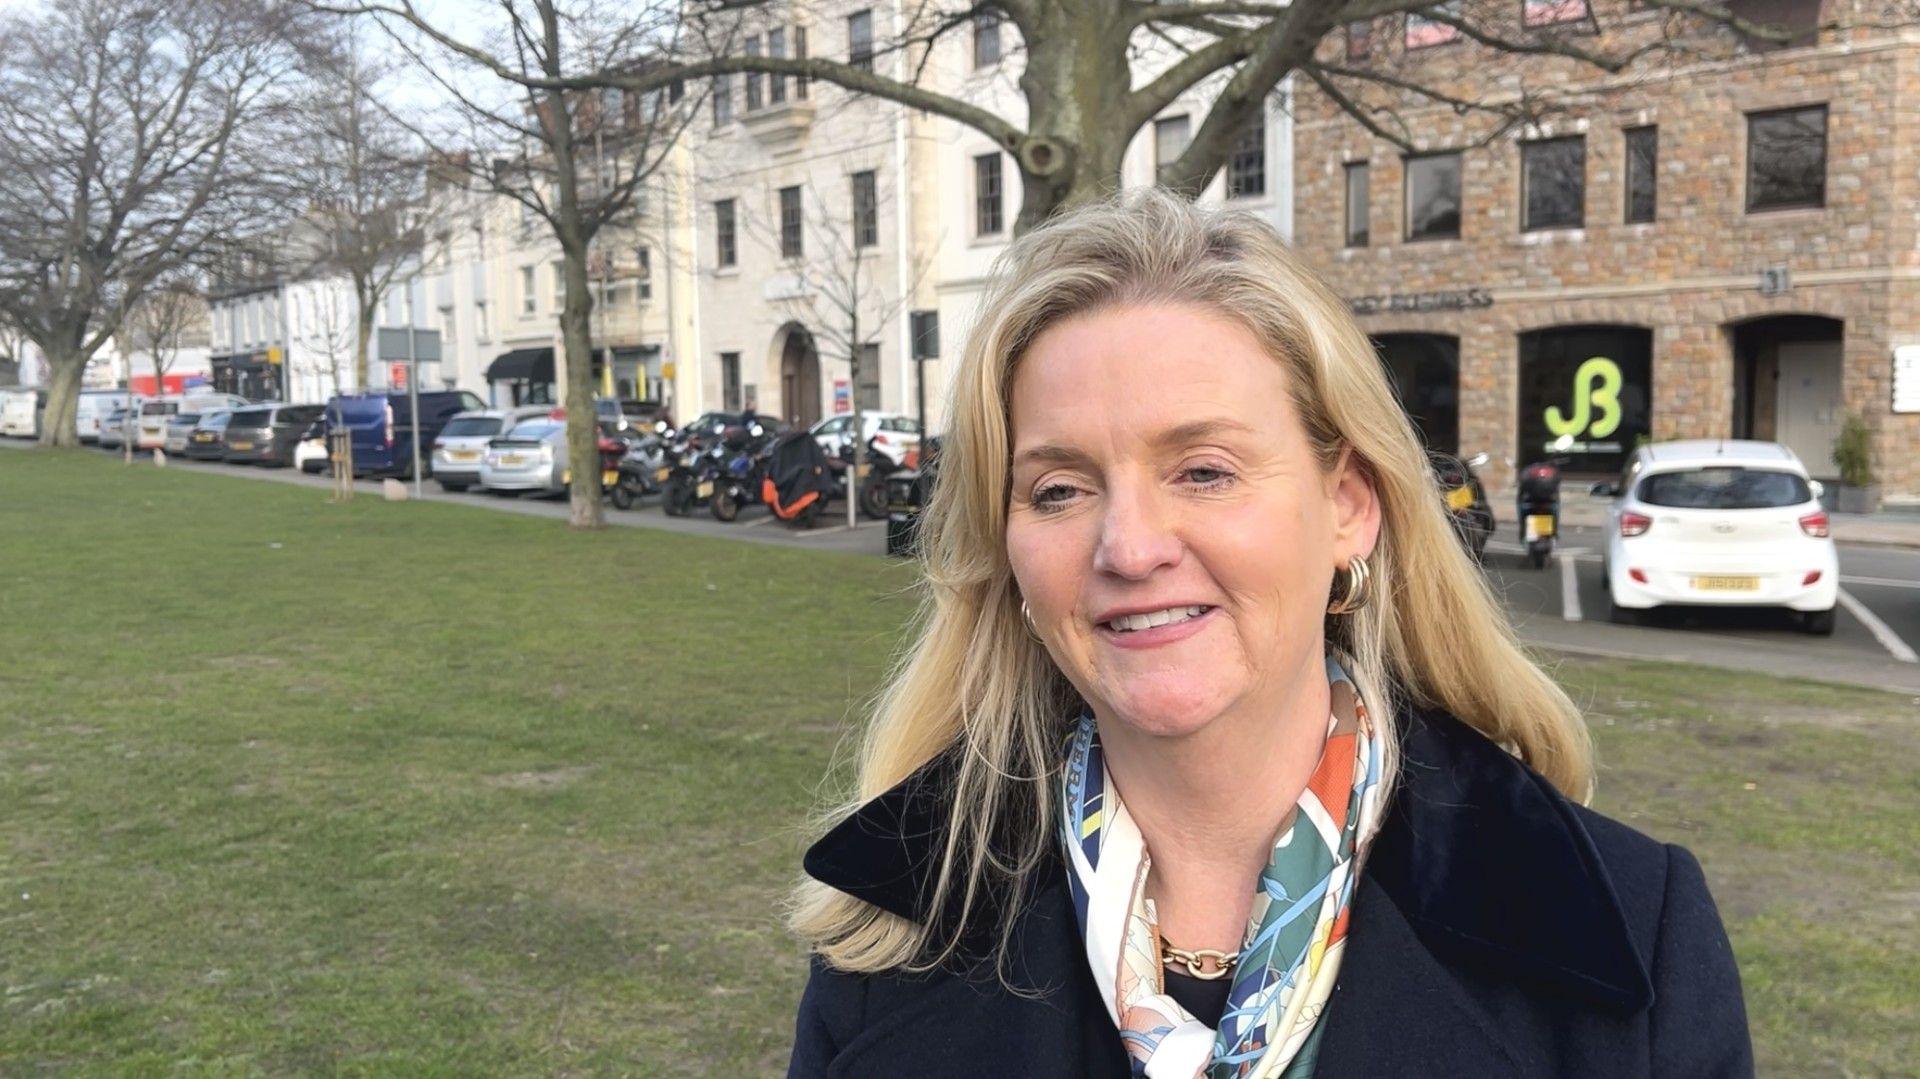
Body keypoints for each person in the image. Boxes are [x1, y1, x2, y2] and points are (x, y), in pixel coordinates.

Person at [786, 191, 1751, 1078]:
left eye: (1203, 470)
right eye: (1060, 489)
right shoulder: (891, 932)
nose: (1128, 546)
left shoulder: (1632, 931)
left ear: (1347, 507)